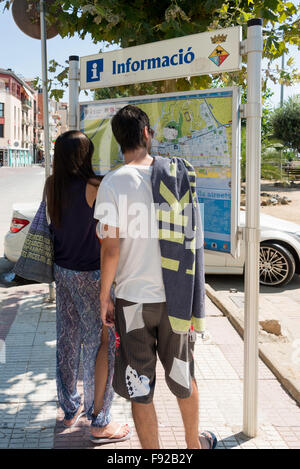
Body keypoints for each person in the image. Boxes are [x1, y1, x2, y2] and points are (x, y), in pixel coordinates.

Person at [94, 105, 217, 449]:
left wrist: (105, 296)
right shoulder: (176, 177)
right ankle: (193, 445)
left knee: (139, 385)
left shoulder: (113, 183)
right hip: (176, 300)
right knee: (182, 375)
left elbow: (110, 250)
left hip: (133, 299)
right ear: (147, 134)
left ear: (119, 140)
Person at [45, 130, 130, 443]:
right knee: (102, 346)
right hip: (92, 276)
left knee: (67, 341)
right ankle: (100, 421)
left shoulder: (52, 185)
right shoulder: (96, 187)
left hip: (62, 272)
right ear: (86, 156)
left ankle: (69, 409)